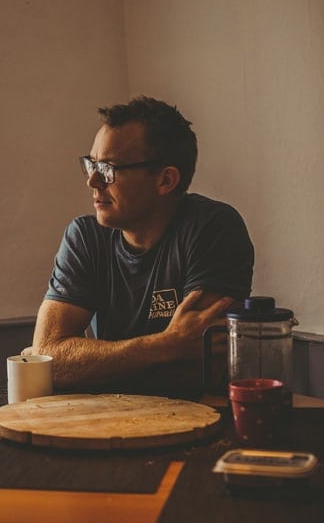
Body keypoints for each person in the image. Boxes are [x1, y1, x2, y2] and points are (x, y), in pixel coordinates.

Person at [29, 96, 254, 397]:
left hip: (198, 419)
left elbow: (193, 368)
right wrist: (166, 345)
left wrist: (90, 363)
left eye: (108, 168)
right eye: (91, 165)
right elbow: (47, 361)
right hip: (105, 419)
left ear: (165, 180)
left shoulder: (213, 228)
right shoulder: (85, 236)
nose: (93, 181)